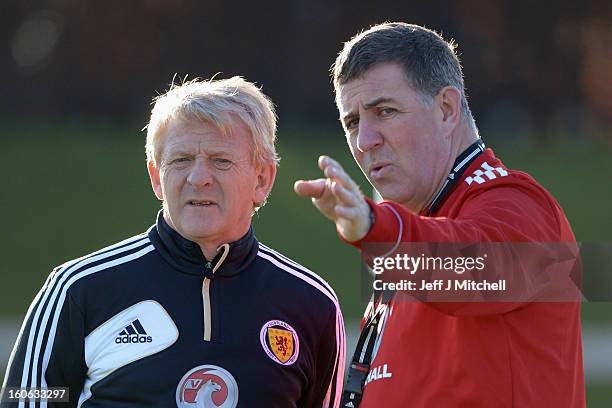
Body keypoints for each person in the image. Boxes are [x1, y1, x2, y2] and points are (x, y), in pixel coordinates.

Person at [2, 76, 345, 407]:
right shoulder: (78, 290)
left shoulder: (313, 305)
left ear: (262, 178)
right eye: (181, 160)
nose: (198, 178)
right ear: (156, 177)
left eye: (220, 161)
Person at [295, 23, 584, 407]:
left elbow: (473, 272)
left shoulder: (518, 203)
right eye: (352, 122)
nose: (365, 141)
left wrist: (375, 228)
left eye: (385, 111)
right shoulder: (410, 234)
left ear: (447, 108)